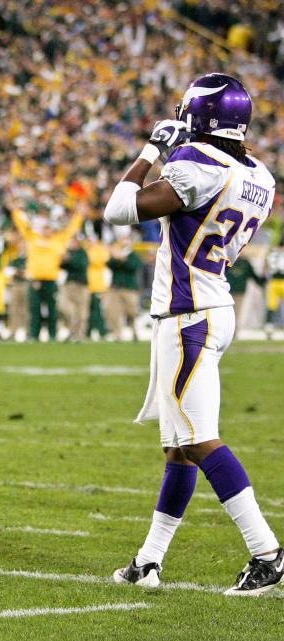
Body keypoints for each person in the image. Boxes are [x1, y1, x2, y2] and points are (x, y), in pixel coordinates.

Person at [104, 73, 282, 595]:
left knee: (200, 440)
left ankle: (266, 552)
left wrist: (150, 151)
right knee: (179, 448)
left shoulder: (193, 165)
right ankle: (148, 562)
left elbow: (118, 209)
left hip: (188, 314)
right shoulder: (260, 174)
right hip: (210, 306)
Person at [12, 205, 84, 341]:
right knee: (34, 309)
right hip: (35, 280)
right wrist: (16, 211)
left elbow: (71, 229)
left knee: (53, 310)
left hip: (52, 280)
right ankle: (33, 335)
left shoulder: (58, 240)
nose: (47, 231)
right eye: (45, 228)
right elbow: (22, 226)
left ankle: (53, 334)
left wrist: (79, 216)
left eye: (49, 228)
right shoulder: (33, 238)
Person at [104, 236, 143, 341]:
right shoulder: (117, 254)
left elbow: (134, 267)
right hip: (115, 288)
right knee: (114, 312)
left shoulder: (133, 255)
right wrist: (117, 258)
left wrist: (121, 259)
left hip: (129, 289)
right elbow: (108, 263)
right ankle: (117, 334)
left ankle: (135, 332)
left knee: (132, 312)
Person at [59, 234, 89, 342]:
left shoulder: (83, 253)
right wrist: (63, 260)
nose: (74, 242)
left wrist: (69, 259)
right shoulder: (69, 252)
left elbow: (81, 265)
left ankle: (79, 335)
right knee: (63, 307)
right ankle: (71, 330)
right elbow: (61, 266)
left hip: (80, 285)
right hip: (68, 284)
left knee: (81, 311)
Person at [265, 235, 284, 335]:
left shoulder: (272, 252)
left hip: (273, 281)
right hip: (278, 280)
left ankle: (269, 327)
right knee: (271, 305)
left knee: (271, 306)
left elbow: (267, 266)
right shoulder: (275, 252)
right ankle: (269, 327)